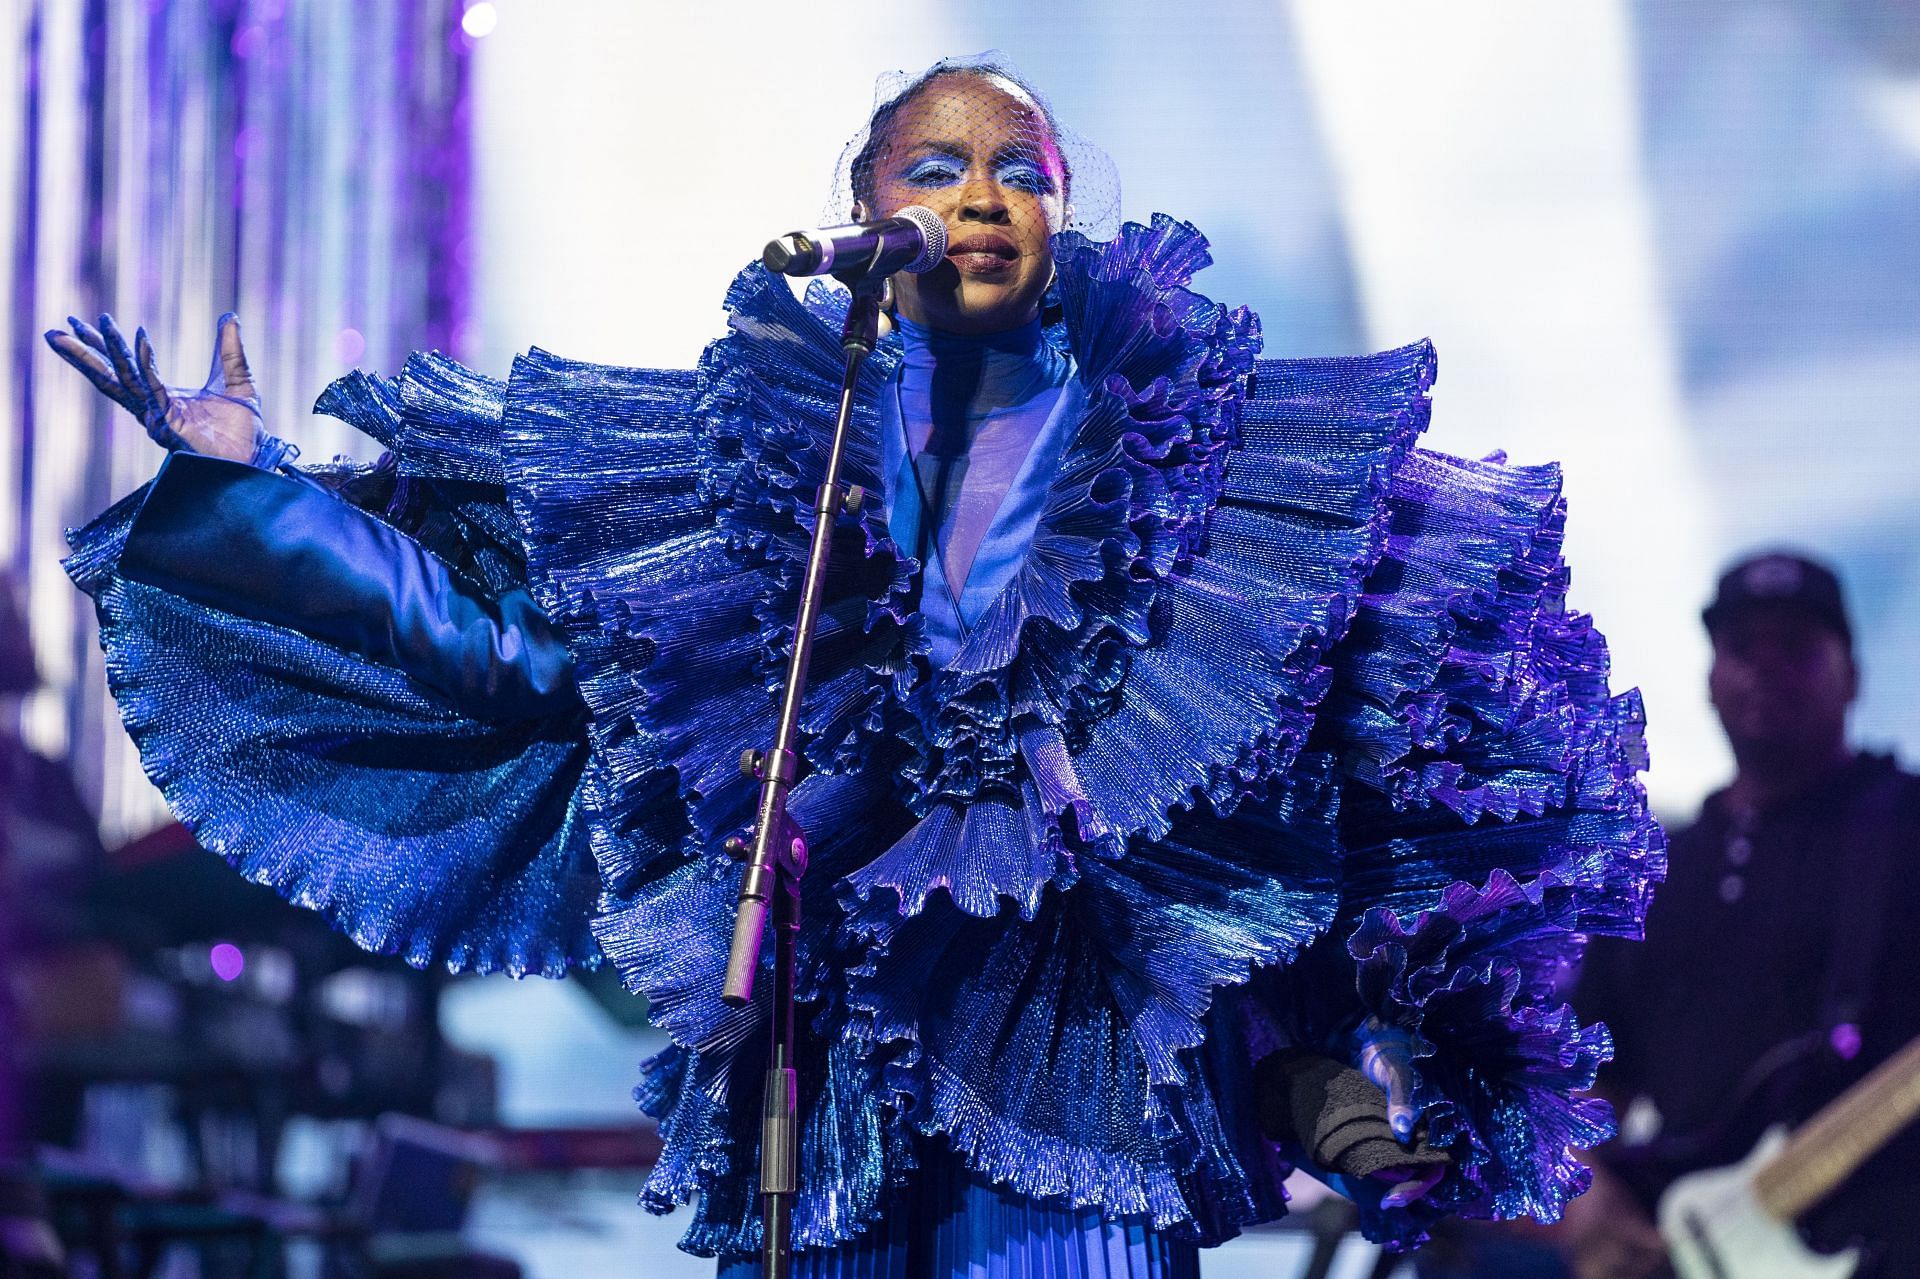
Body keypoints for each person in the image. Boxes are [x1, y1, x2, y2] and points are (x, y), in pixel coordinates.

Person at [47, 56, 1660, 1275]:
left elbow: (1365, 806)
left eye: (1014, 168)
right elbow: (521, 661)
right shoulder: (754, 462)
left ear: (1058, 212)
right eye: (935, 165)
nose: (975, 196)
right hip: (825, 1080)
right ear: (864, 208)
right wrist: (246, 487)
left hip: (1085, 1089)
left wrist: (1393, 1081)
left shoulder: (1213, 469)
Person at [1570, 551, 1920, 1277]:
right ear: (1710, 681)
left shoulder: (1905, 825)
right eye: (1741, 649)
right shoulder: (1652, 869)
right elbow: (1600, 1076)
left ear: (1850, 676)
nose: (1766, 667)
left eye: (1795, 647)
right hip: (1693, 1244)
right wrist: (1589, 1200)